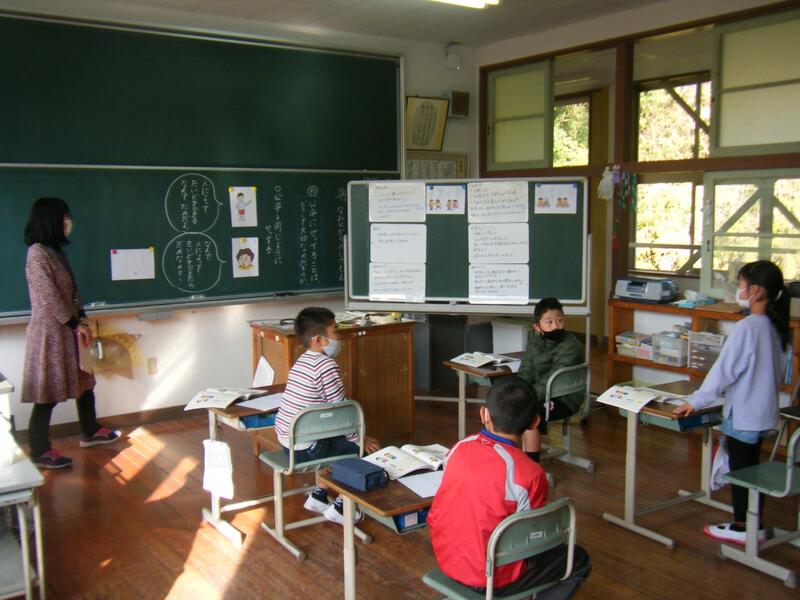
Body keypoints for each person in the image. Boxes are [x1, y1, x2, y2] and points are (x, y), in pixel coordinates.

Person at [427, 376, 591, 598]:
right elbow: (532, 537)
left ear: (484, 414)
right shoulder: (529, 473)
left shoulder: (459, 448)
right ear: (535, 422)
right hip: (494, 578)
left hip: (448, 560)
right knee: (578, 559)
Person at [674, 260, 790, 545]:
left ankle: (743, 527)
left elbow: (723, 371)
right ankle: (753, 522)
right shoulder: (778, 328)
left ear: (756, 291)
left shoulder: (747, 328)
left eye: (741, 285)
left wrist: (696, 401)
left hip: (744, 414)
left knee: (742, 473)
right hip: (764, 414)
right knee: (754, 471)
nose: (738, 290)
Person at [22, 198, 121, 470]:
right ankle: (39, 450)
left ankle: (90, 431)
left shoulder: (56, 251)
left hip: (70, 329)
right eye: (64, 217)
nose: (68, 222)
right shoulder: (37, 253)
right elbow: (49, 297)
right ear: (50, 220)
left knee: (85, 382)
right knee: (48, 392)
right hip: (50, 334)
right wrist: (74, 323)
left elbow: (72, 293)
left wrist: (82, 319)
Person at [273, 306, 380, 524]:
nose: (338, 338)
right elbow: (342, 413)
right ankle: (341, 507)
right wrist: (361, 440)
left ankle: (319, 496)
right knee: (363, 450)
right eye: (335, 332)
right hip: (308, 449)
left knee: (339, 442)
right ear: (318, 340)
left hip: (289, 444)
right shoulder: (326, 366)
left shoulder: (301, 361)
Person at [517, 297, 585, 462]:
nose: (556, 326)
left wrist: (526, 398)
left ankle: (531, 463)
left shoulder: (571, 347)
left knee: (528, 412)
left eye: (560, 320)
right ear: (537, 327)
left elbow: (551, 380)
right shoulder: (534, 342)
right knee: (504, 402)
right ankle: (502, 456)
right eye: (549, 322)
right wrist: (517, 392)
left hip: (565, 398)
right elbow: (525, 371)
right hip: (541, 394)